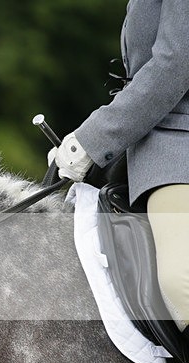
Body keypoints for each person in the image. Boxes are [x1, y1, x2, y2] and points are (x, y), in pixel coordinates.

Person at [50, 0, 189, 337]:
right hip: (148, 149)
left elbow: (175, 64)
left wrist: (91, 140)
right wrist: (88, 145)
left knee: (180, 280)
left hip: (179, 151)